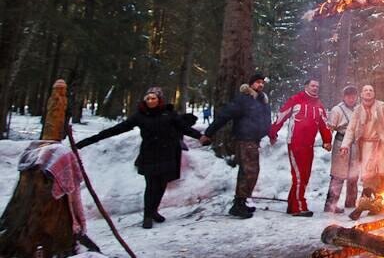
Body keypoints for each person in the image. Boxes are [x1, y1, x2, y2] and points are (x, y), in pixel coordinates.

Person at [77, 86, 206, 229]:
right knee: (151, 186)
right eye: (148, 98)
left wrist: (200, 137)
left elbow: (184, 128)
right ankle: (147, 216)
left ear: (159, 100)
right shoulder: (141, 115)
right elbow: (118, 129)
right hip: (149, 154)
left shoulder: (169, 114)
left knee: (162, 184)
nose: (150, 101)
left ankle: (154, 211)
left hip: (167, 153)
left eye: (154, 98)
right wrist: (88, 141)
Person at [204, 72, 271, 219]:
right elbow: (224, 115)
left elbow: (266, 120)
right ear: (251, 84)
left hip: (255, 140)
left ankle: (241, 201)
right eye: (257, 82)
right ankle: (238, 204)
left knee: (249, 172)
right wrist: (209, 133)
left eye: (262, 82)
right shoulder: (243, 100)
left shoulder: (262, 100)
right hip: (244, 140)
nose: (260, 84)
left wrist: (270, 133)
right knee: (249, 171)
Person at [269, 79, 332, 217]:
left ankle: (292, 204)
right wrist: (273, 132)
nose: (315, 88)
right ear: (306, 86)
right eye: (312, 86)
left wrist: (327, 140)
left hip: (309, 145)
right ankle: (299, 207)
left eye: (317, 86)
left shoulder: (319, 105)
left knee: (305, 176)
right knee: (299, 175)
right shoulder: (296, 100)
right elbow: (281, 116)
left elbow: (324, 124)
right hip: (295, 144)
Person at [339, 84, 384, 218]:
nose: (368, 92)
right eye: (365, 90)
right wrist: (345, 145)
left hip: (381, 145)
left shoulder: (381, 106)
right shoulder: (357, 110)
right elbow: (350, 129)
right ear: (361, 94)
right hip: (365, 146)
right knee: (368, 176)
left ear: (374, 94)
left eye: (371, 90)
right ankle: (368, 204)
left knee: (380, 175)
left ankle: (371, 205)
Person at [325, 84, 361, 213]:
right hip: (341, 143)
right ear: (344, 97)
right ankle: (331, 205)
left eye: (353, 96)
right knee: (338, 175)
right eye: (348, 96)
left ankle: (350, 203)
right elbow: (329, 128)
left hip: (355, 144)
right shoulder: (337, 110)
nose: (351, 99)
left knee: (354, 175)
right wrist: (327, 142)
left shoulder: (359, 109)